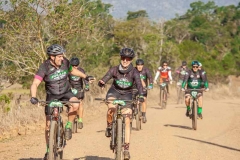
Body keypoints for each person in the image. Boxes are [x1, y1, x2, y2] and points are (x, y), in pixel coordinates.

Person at [30, 44, 94, 160]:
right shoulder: (44, 67)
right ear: (52, 57)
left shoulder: (65, 63)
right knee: (48, 125)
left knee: (76, 104)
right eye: (59, 56)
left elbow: (73, 71)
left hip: (66, 92)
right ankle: (48, 150)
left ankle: (68, 125)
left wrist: (85, 76)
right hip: (52, 95)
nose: (62, 58)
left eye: (62, 56)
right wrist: (33, 97)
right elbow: (35, 83)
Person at [98, 48, 144, 160]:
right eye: (123, 58)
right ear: (121, 58)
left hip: (127, 94)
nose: (125, 60)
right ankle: (109, 126)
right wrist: (102, 82)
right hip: (114, 91)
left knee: (127, 119)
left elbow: (138, 84)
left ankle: (126, 149)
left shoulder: (134, 72)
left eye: (128, 59)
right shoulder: (114, 69)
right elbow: (106, 77)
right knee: (111, 108)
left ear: (131, 60)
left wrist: (141, 95)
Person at [69, 57, 89, 129]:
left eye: (76, 65)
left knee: (80, 102)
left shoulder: (81, 70)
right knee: (70, 105)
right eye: (73, 66)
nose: (75, 67)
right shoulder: (69, 71)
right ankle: (70, 121)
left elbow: (85, 79)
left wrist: (87, 86)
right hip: (71, 89)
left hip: (79, 89)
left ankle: (80, 120)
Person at [134, 59, 153, 123]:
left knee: (144, 100)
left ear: (143, 65)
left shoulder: (146, 70)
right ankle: (134, 109)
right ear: (136, 65)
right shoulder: (133, 70)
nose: (139, 66)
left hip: (143, 88)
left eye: (141, 65)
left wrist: (150, 84)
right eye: (138, 65)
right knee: (132, 100)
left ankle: (144, 115)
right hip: (135, 88)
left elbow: (150, 77)